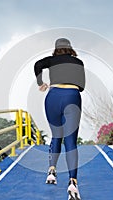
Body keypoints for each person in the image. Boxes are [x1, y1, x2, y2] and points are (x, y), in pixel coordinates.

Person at [34, 38, 85, 200]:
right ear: (70, 48)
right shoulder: (79, 62)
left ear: (56, 49)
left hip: (53, 96)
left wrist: (40, 82)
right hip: (72, 96)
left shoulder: (52, 60)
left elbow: (37, 65)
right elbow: (82, 86)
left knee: (56, 135)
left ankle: (51, 171)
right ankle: (72, 183)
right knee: (70, 141)